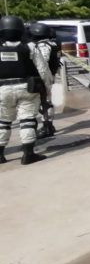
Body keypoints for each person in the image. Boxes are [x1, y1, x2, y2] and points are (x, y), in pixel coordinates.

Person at [0, 16, 51, 165]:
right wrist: (47, 89)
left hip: (3, 89)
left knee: (3, 121)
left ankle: (0, 155)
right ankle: (28, 154)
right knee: (27, 119)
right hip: (28, 88)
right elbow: (43, 70)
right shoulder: (30, 46)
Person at [28, 23, 60, 139]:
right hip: (50, 75)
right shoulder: (52, 43)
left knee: (45, 102)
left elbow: (43, 62)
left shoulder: (43, 45)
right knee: (46, 101)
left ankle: (47, 127)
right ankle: (48, 125)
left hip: (44, 77)